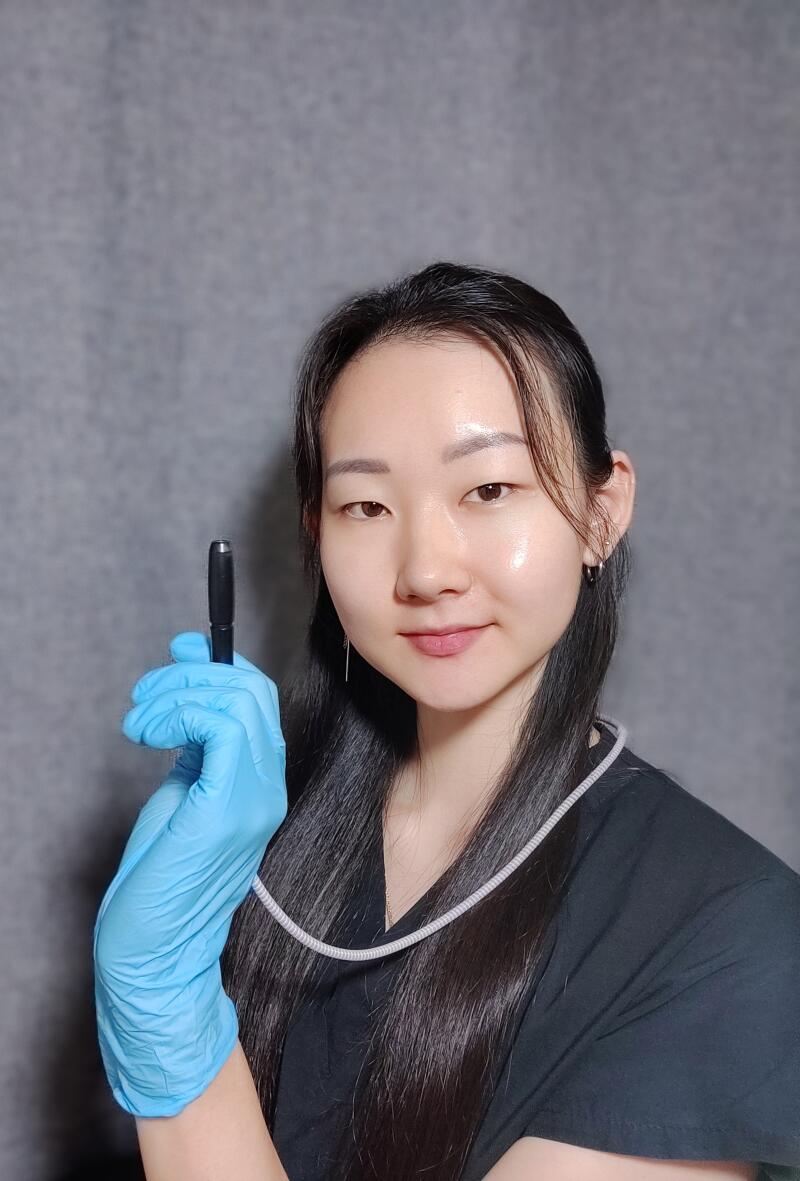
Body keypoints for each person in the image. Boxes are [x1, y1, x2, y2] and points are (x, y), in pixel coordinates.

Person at [94, 261, 800, 1181]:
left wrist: (170, 1012)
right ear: (316, 535)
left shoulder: (729, 931)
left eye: (489, 490)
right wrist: (164, 961)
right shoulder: (250, 854)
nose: (426, 570)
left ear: (601, 511)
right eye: (366, 505)